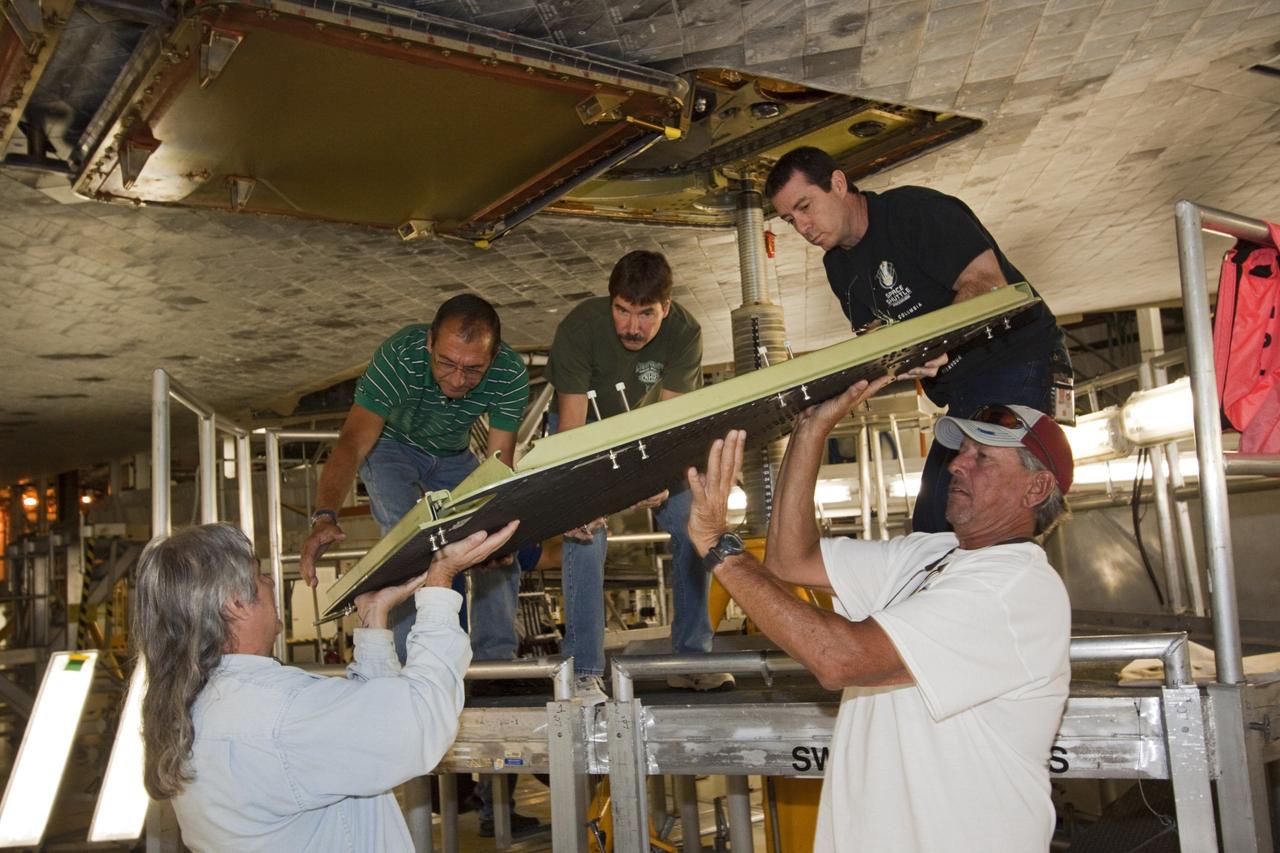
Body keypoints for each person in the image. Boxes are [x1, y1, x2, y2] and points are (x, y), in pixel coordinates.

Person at [686, 381, 1074, 853]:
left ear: (1037, 487)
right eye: (962, 451)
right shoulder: (932, 554)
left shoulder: (1016, 588)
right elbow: (790, 560)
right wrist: (811, 431)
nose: (956, 464)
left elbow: (839, 659)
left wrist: (720, 548)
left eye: (982, 457)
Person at [297, 293, 537, 836]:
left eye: (472, 370)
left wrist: (495, 525)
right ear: (428, 344)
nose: (456, 381)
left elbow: (498, 465)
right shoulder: (400, 357)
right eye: (446, 363)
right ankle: (407, 668)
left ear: (493, 360)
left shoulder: (508, 375)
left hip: (455, 457)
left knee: (491, 535)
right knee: (409, 540)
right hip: (392, 448)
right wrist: (324, 513)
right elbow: (354, 441)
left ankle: (498, 669)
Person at [135, 519, 519, 852]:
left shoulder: (204, 702)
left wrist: (374, 618)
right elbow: (418, 726)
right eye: (260, 575)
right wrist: (440, 585)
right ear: (235, 604)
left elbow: (367, 737)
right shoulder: (277, 710)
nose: (270, 584)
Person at [765, 146, 1072, 534]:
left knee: (990, 517)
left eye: (806, 206)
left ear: (838, 184)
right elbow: (876, 335)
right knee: (933, 524)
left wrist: (935, 342)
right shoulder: (838, 265)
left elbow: (986, 282)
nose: (803, 227)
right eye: (790, 220)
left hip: (1015, 363)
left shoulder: (914, 212)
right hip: (961, 391)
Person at [544, 249, 731, 698]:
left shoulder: (685, 332)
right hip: (585, 431)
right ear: (610, 302)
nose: (631, 327)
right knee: (585, 534)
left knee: (694, 527)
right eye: (622, 311)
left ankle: (691, 658)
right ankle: (585, 672)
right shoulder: (580, 328)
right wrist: (589, 497)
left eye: (646, 314)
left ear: (665, 308)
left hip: (651, 434)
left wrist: (654, 477)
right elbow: (571, 427)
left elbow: (671, 421)